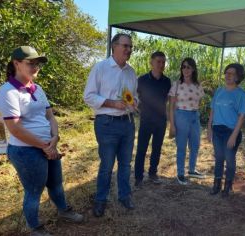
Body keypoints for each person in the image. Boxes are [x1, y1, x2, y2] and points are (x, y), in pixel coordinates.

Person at [0, 46, 83, 236]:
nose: (36, 67)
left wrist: (55, 138)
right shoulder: (8, 92)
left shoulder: (38, 89)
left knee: (56, 184)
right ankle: (34, 227)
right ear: (16, 64)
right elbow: (15, 129)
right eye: (30, 63)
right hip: (26, 151)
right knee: (34, 191)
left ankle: (63, 210)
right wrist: (45, 147)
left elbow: (50, 117)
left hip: (48, 146)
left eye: (37, 63)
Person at [84, 33, 138, 217]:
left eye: (131, 47)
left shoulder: (131, 71)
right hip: (107, 123)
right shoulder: (101, 68)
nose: (128, 50)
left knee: (125, 164)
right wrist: (112, 103)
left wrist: (134, 102)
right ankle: (101, 199)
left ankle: (124, 196)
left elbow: (133, 95)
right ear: (114, 46)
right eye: (125, 46)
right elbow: (89, 96)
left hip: (128, 123)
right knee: (107, 165)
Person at [207, 63, 245, 198]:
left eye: (232, 73)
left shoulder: (241, 94)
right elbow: (212, 110)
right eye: (227, 73)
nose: (228, 75)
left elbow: (242, 117)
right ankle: (216, 184)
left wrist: (234, 136)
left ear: (238, 77)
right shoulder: (219, 91)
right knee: (219, 158)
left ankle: (228, 186)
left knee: (229, 159)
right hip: (217, 130)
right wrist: (209, 128)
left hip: (231, 131)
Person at [134, 51, 171, 187]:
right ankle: (138, 177)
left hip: (161, 121)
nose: (161, 65)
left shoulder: (167, 81)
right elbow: (134, 97)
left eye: (163, 62)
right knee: (141, 149)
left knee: (157, 148)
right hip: (146, 120)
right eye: (158, 61)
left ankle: (153, 173)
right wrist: (139, 109)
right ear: (151, 62)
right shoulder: (142, 79)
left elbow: (167, 99)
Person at [169, 57, 205, 185]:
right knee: (182, 146)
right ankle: (180, 173)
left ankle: (191, 169)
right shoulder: (177, 84)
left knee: (195, 144)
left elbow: (199, 102)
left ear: (193, 69)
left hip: (194, 116)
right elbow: (172, 106)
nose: (185, 69)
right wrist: (172, 124)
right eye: (183, 67)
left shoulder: (198, 85)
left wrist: (194, 113)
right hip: (181, 116)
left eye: (188, 67)